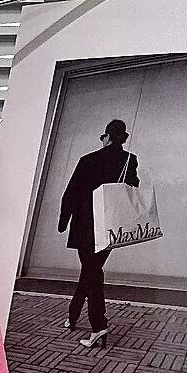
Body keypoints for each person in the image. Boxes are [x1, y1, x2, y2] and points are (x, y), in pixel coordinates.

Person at [59, 116, 138, 351]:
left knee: (91, 271)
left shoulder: (88, 160)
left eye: (103, 136)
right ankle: (73, 316)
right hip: (109, 227)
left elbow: (71, 193)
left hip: (85, 226)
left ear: (107, 137)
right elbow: (132, 188)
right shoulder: (129, 160)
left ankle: (99, 326)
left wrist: (63, 221)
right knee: (91, 270)